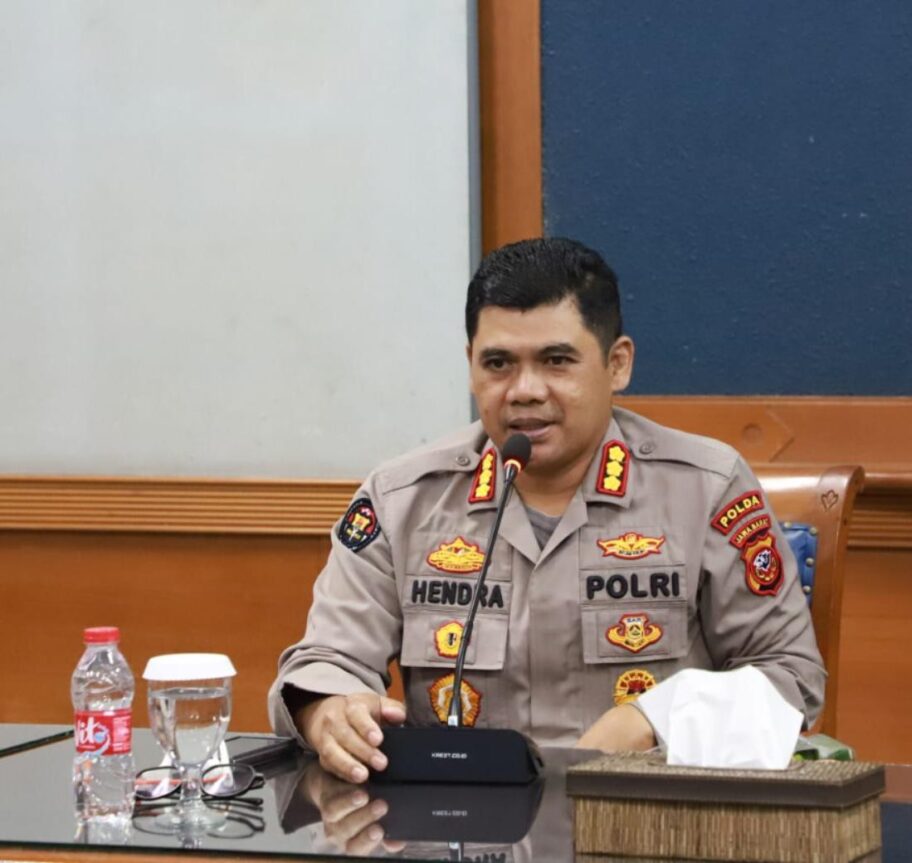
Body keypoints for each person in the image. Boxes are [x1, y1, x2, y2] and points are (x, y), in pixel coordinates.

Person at [269, 237, 825, 784]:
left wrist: (655, 720)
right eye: (498, 364)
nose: (525, 391)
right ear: (470, 366)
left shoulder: (705, 488)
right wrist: (328, 710)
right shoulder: (402, 499)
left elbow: (791, 678)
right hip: (457, 819)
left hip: (645, 813)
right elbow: (327, 661)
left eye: (557, 361)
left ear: (617, 365)